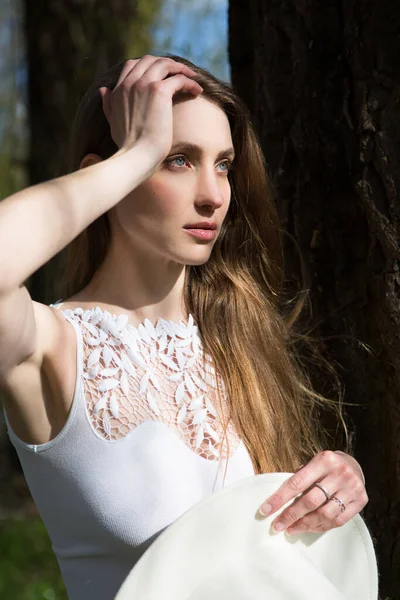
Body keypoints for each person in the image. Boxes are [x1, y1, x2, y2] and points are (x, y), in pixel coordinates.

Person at [0, 55, 368, 599]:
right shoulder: (51, 345)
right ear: (103, 172)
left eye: (223, 165)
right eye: (178, 160)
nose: (214, 195)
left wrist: (336, 491)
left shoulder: (241, 345)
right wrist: (136, 155)